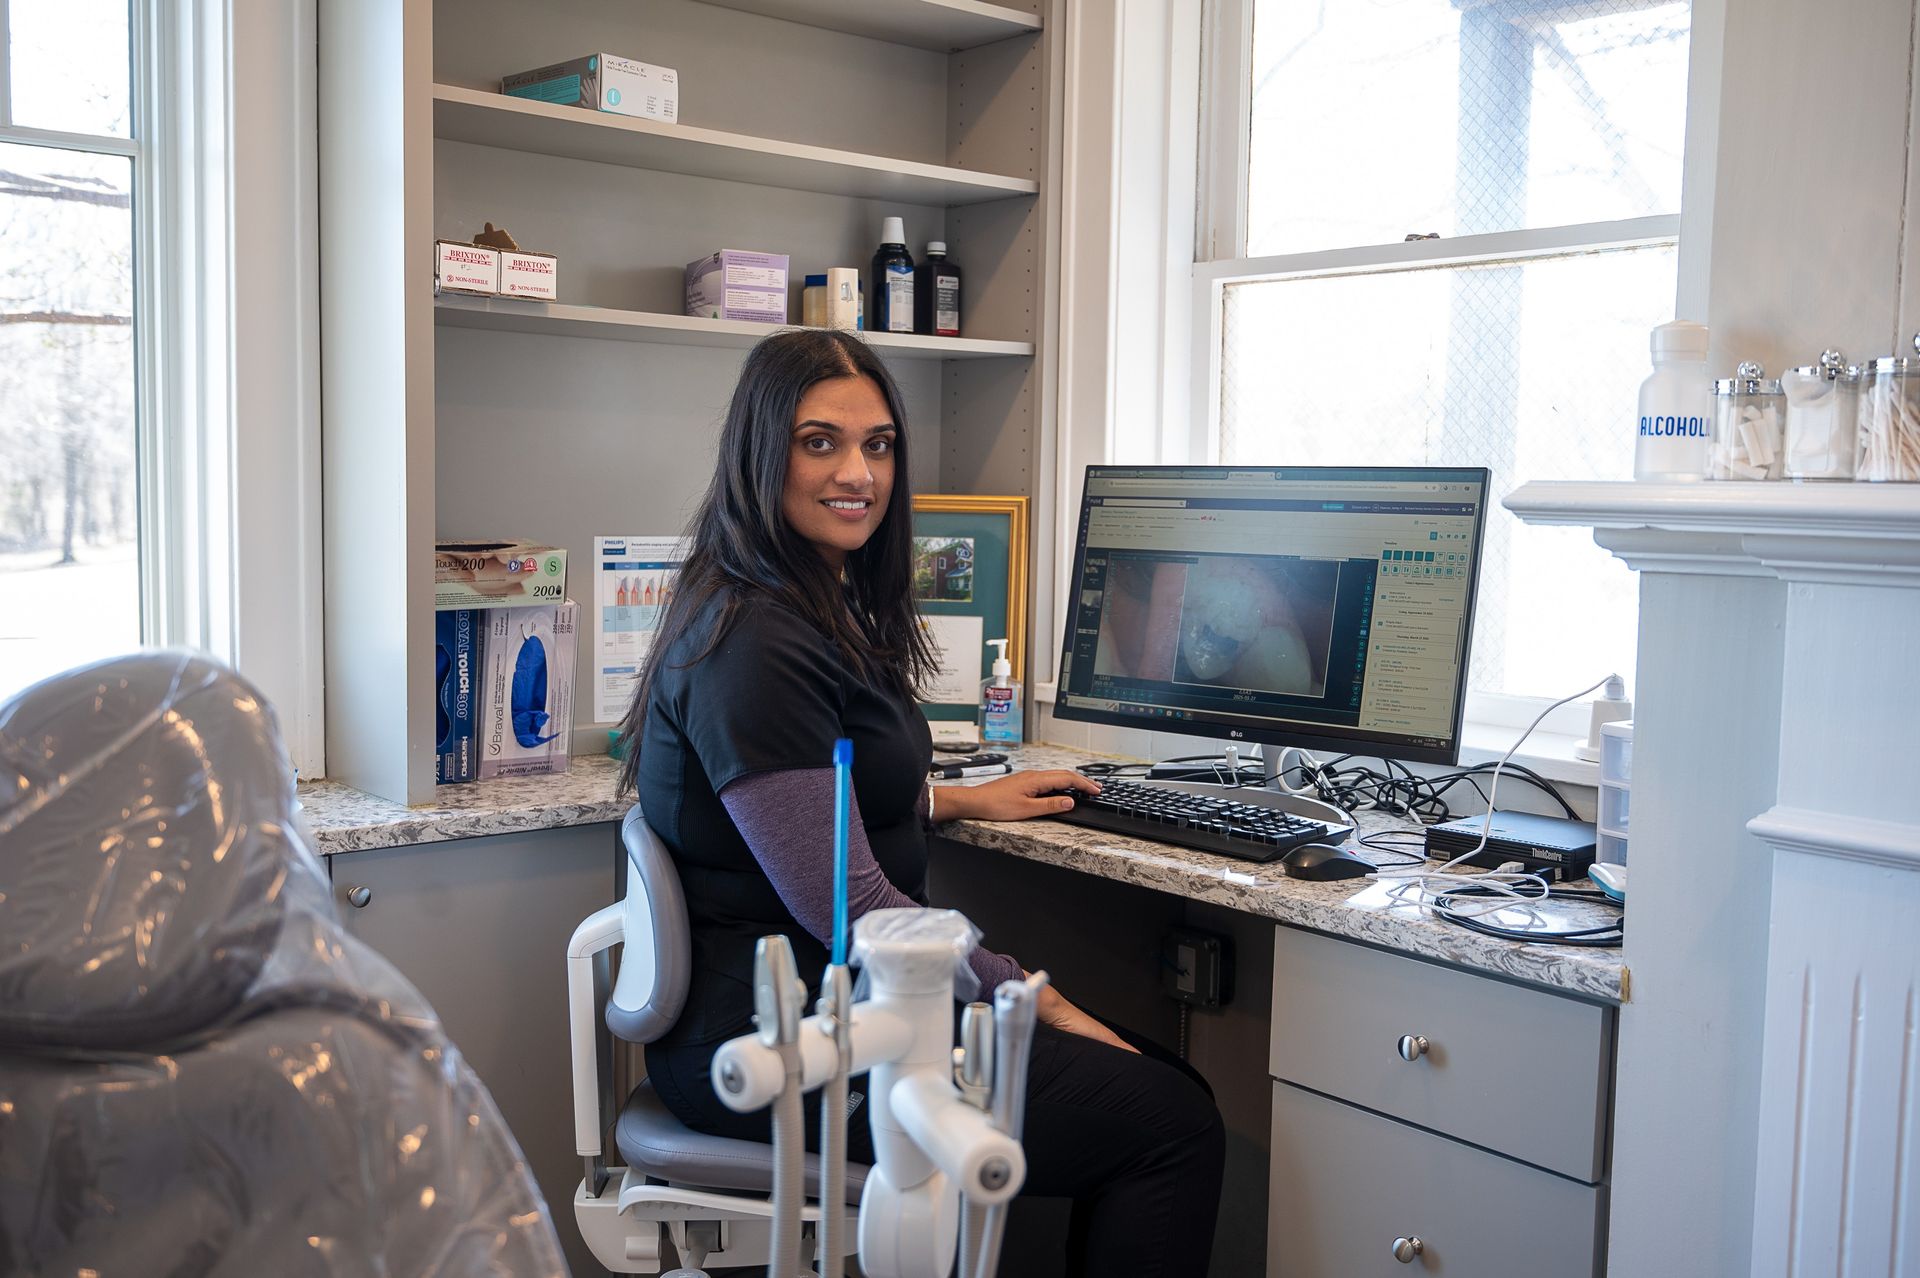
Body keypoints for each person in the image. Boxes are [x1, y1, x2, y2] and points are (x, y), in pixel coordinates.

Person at [614, 329, 1223, 1275]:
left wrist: (954, 802)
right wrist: (1039, 998)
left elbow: (814, 800)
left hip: (839, 1006)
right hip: (777, 1045)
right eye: (820, 442)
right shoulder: (756, 641)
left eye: (879, 444)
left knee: (1164, 1087)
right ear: (760, 451)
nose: (858, 472)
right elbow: (855, 909)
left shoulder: (797, 600)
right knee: (1167, 1122)